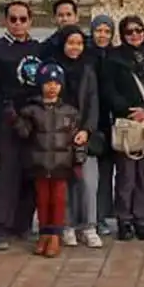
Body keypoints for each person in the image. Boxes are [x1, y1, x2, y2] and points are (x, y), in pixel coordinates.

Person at [102, 16, 144, 241]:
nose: (134, 35)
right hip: (126, 123)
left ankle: (142, 218)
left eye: (138, 30)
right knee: (126, 176)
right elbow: (109, 90)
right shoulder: (113, 59)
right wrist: (128, 110)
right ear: (122, 35)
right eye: (129, 31)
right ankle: (124, 219)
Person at [0, 1, 42, 251]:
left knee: (31, 170)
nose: (18, 24)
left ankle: (23, 223)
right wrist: (8, 115)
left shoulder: (38, 48)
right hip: (9, 119)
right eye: (13, 19)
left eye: (23, 19)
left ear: (30, 21)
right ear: (5, 21)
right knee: (7, 173)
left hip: (34, 118)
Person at [16, 63, 82, 258]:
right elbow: (24, 133)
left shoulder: (70, 111)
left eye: (56, 83)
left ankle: (55, 235)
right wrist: (14, 119)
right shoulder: (31, 110)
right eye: (48, 83)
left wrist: (78, 160)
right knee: (42, 200)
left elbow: (76, 138)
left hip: (62, 164)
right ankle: (44, 233)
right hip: (40, 163)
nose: (52, 87)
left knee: (59, 200)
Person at [45, 26, 101, 249]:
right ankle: (67, 225)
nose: (75, 47)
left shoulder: (88, 69)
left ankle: (88, 226)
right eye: (70, 43)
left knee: (88, 182)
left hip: (83, 135)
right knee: (64, 182)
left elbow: (93, 102)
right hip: (59, 134)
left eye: (79, 43)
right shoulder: (53, 70)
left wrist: (86, 129)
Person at [89, 14, 116, 236]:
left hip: (110, 122)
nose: (102, 35)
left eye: (107, 31)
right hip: (90, 121)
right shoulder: (85, 56)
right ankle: (87, 216)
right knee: (88, 175)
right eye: (99, 30)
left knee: (106, 174)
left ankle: (101, 216)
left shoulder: (115, 57)